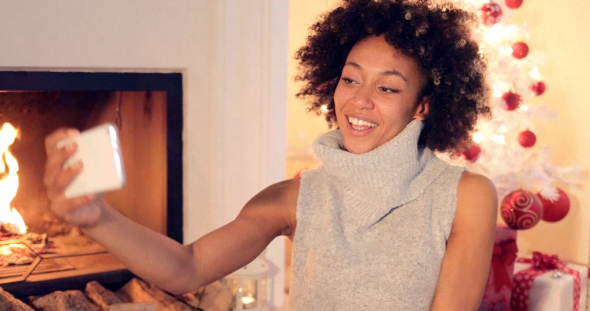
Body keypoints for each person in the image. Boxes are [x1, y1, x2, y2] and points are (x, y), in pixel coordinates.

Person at [44, 0, 497, 309]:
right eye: (350, 79)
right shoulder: (295, 198)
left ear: (422, 105)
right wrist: (98, 219)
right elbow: (188, 268)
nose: (359, 101)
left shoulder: (465, 196)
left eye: (388, 88)